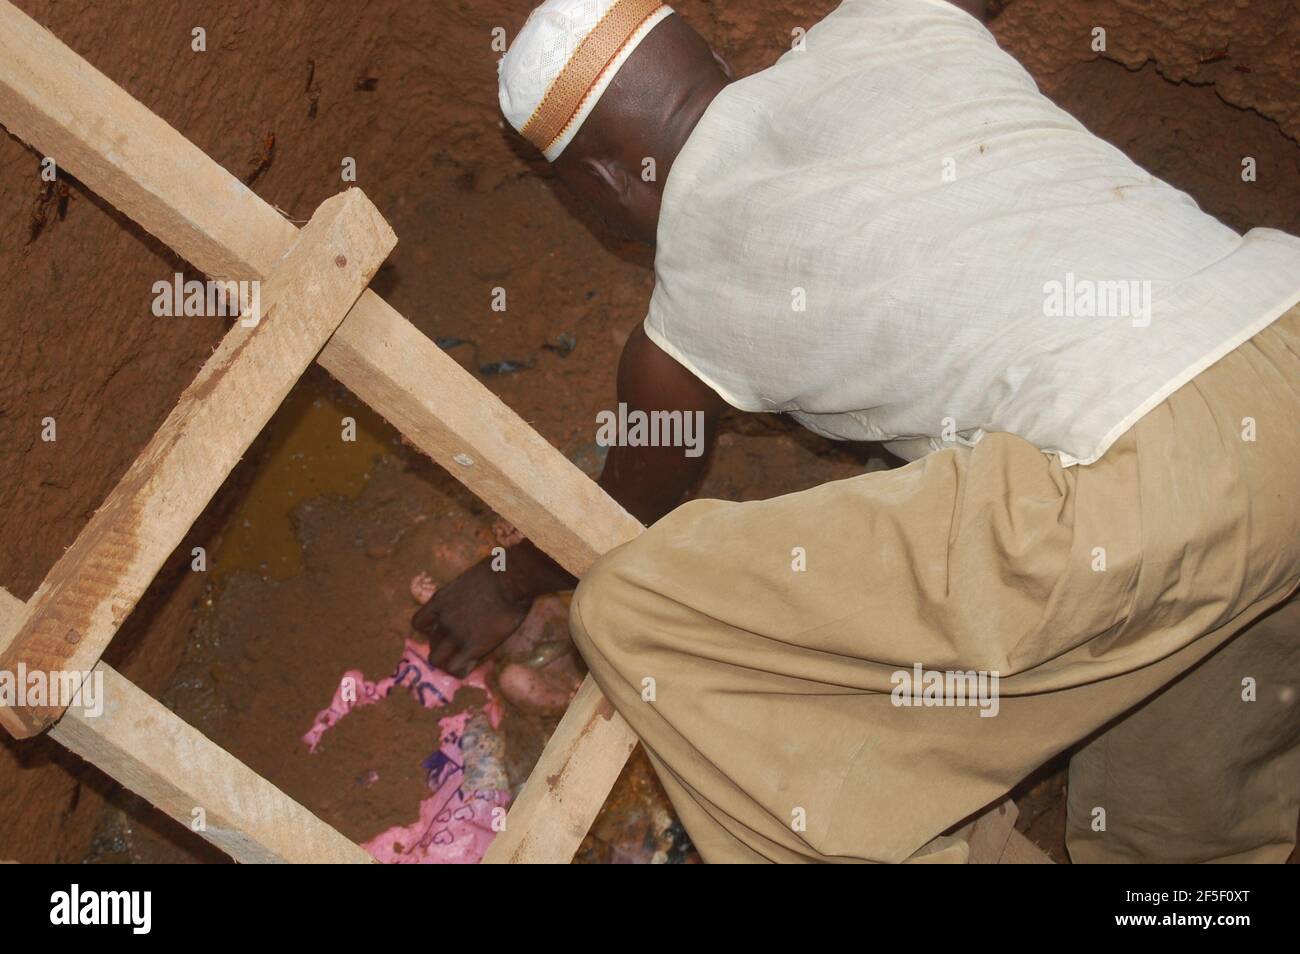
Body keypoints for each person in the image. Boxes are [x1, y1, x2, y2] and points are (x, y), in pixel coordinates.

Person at [416, 0, 1300, 862]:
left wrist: (510, 582)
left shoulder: (680, 329)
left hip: (1126, 478)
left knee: (633, 616)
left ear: (602, 186)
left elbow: (629, 501)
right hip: (1279, 337)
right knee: (1184, 687)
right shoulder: (893, 16)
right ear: (717, 66)